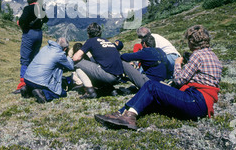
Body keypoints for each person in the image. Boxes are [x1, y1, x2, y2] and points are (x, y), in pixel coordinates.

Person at [95, 25, 223, 130]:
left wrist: (178, 64)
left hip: (196, 100)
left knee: (151, 85)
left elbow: (179, 80)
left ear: (191, 41)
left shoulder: (197, 56)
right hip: (203, 104)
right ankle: (122, 113)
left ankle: (126, 116)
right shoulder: (214, 57)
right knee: (154, 94)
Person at [72, 23, 124, 99]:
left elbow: (75, 58)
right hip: (119, 77)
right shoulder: (106, 41)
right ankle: (110, 89)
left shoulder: (91, 41)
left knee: (77, 63)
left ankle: (90, 92)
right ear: (100, 32)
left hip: (109, 77)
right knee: (100, 66)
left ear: (88, 33)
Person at [13, 0, 49, 93]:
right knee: (34, 57)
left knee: (25, 58)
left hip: (29, 34)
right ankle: (34, 81)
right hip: (39, 34)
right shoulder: (41, 9)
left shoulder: (28, 8)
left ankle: (23, 84)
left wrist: (21, 25)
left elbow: (22, 20)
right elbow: (46, 20)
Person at [21, 37, 74, 103]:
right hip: (39, 83)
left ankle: (27, 89)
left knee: (35, 83)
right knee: (62, 93)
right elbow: (71, 67)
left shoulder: (45, 48)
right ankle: (43, 93)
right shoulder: (60, 54)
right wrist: (69, 55)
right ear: (65, 49)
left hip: (27, 79)